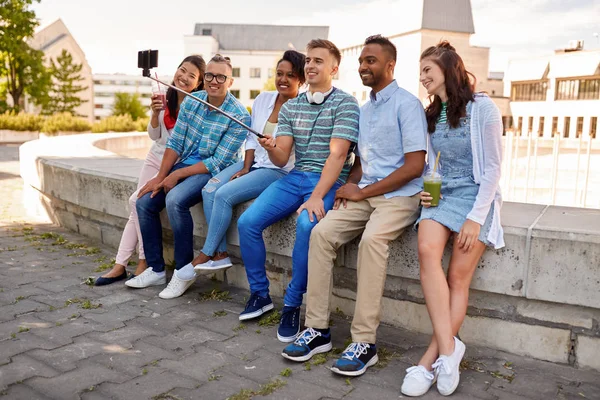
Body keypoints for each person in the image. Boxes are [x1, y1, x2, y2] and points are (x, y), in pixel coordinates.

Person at [281, 35, 427, 377]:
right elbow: (362, 160)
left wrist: (363, 191)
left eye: (371, 61)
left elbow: (414, 165)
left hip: (400, 195)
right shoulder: (364, 110)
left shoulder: (407, 105)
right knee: (321, 233)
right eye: (361, 61)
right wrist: (352, 184)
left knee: (372, 241)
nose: (364, 66)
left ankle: (365, 342)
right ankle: (317, 330)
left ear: (390, 65)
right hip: (365, 192)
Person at [236, 39, 360, 342]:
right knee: (247, 222)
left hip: (328, 181)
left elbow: (338, 155)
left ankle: (292, 303)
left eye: (319, 60)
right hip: (295, 176)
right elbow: (282, 157)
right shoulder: (292, 106)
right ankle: (260, 294)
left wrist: (318, 195)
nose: (311, 65)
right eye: (309, 61)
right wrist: (271, 146)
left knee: (306, 225)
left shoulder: (347, 104)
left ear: (334, 68)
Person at [400, 41, 504, 397]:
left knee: (457, 277)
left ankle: (431, 359)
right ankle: (450, 349)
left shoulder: (483, 109)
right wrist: (429, 192)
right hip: (443, 196)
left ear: (448, 69)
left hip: (477, 198)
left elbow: (492, 170)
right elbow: (433, 165)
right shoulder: (431, 116)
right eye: (421, 71)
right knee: (427, 249)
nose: (422, 77)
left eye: (428, 70)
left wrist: (476, 218)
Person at [125, 54, 251, 300]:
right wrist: (160, 177)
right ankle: (156, 269)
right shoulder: (193, 101)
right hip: (185, 162)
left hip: (209, 169)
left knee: (175, 199)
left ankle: (182, 272)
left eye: (220, 77)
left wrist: (177, 175)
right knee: (144, 201)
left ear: (230, 81)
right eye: (210, 75)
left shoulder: (239, 115)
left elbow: (218, 161)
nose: (214, 81)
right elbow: (176, 141)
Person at [181, 50, 305, 274]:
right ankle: (220, 254)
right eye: (279, 73)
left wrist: (262, 158)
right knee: (209, 190)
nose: (283, 79)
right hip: (253, 162)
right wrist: (246, 167)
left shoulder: (300, 108)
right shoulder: (264, 98)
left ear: (301, 80)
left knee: (223, 194)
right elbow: (251, 137)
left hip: (277, 169)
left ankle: (205, 253)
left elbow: (283, 157)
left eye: (291, 75)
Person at [95, 55, 205, 286]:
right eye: (182, 70)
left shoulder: (198, 106)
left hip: (176, 163)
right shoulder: (166, 96)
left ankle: (140, 262)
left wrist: (166, 175)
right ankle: (123, 264)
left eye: (191, 75)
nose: (183, 77)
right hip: (155, 158)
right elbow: (155, 136)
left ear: (199, 83)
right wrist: (155, 114)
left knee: (138, 202)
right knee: (137, 204)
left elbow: (186, 146)